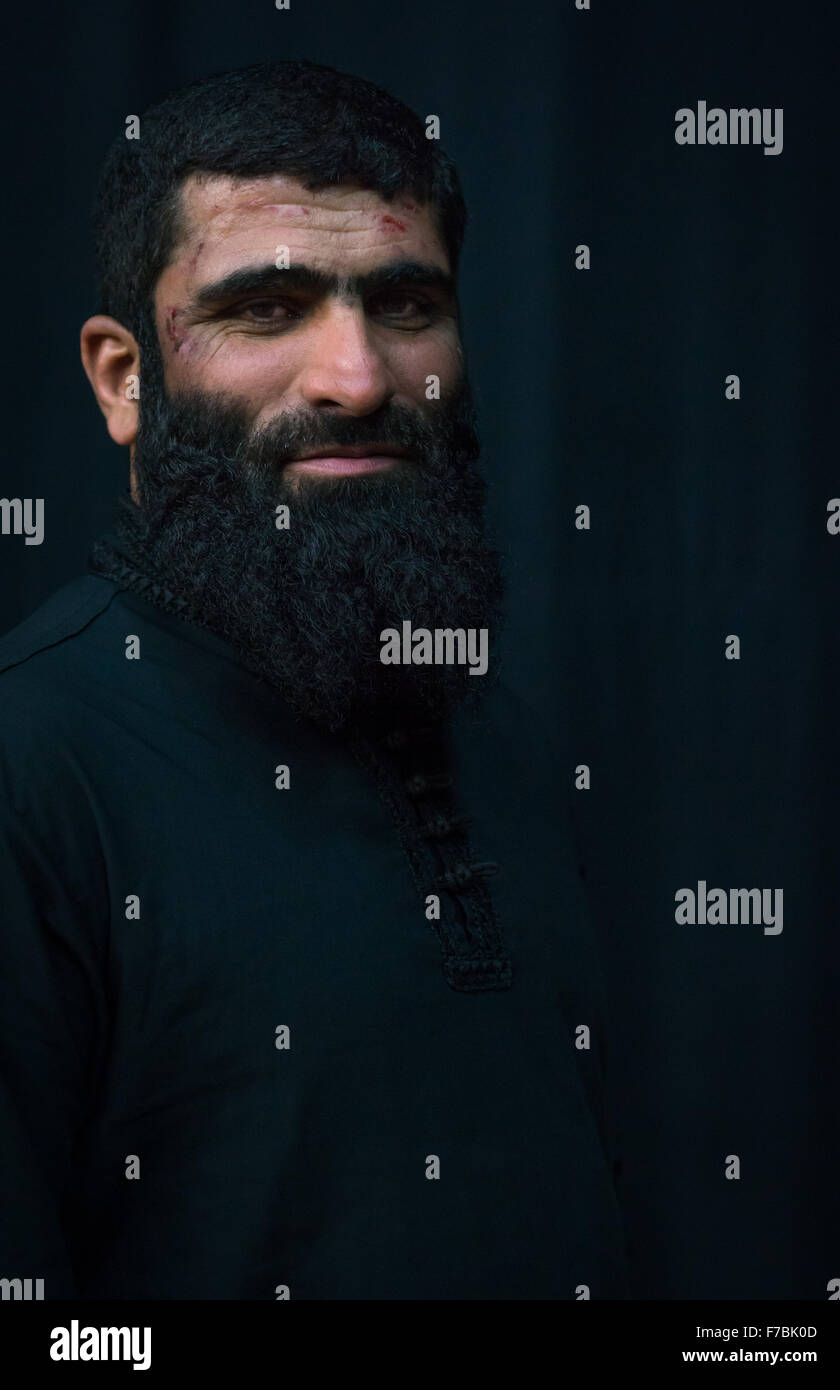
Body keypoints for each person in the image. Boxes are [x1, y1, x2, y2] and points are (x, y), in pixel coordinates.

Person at [0, 58, 629, 1300]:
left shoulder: (496, 732)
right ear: (126, 379)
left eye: (403, 305)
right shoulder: (30, 767)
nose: (358, 377)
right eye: (268, 308)